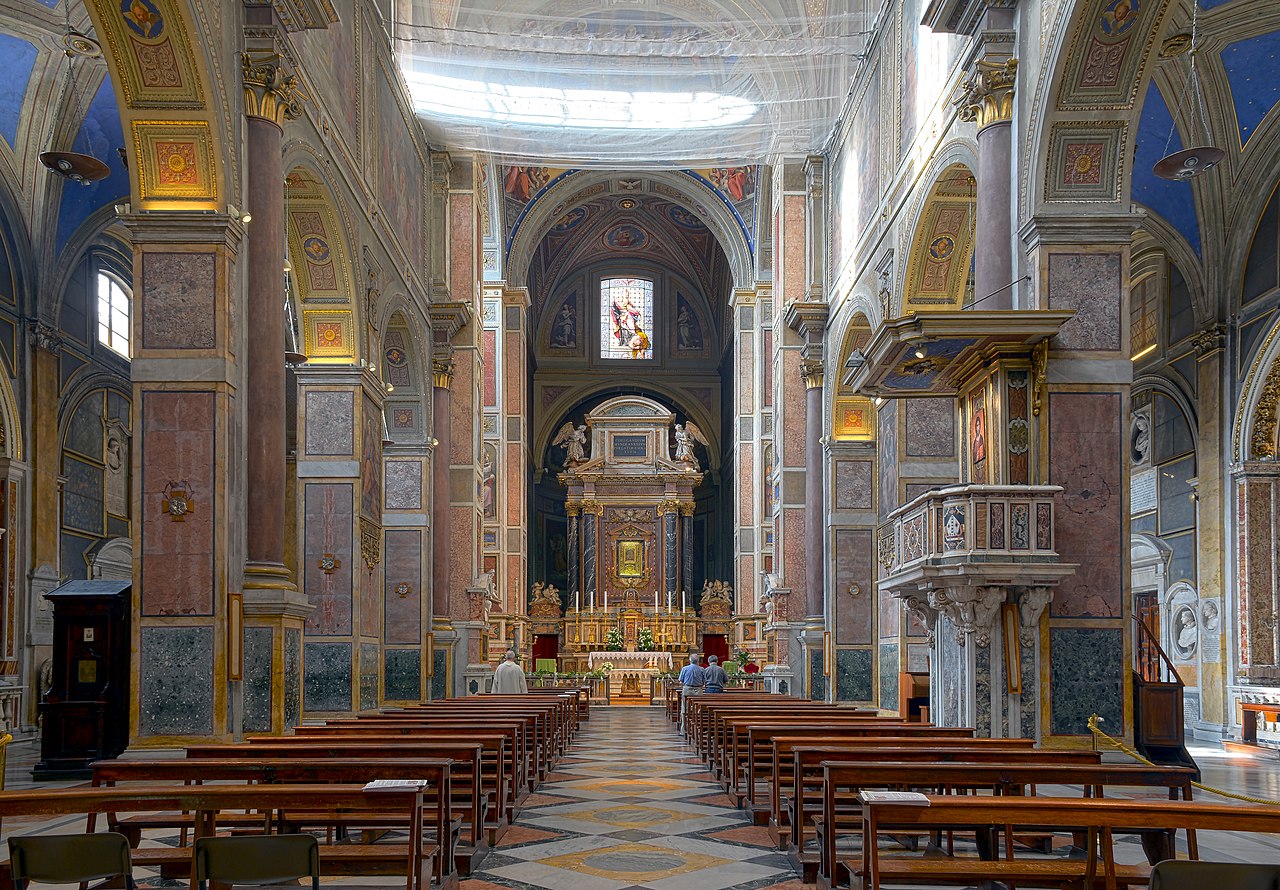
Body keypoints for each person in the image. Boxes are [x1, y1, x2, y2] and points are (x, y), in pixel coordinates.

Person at [677, 653, 704, 731]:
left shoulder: (685, 669)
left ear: (690, 660)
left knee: (685, 709)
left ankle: (684, 729)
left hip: (687, 690)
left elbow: (681, 681)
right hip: (698, 690)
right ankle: (696, 728)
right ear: (698, 661)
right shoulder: (701, 669)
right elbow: (704, 681)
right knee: (698, 710)